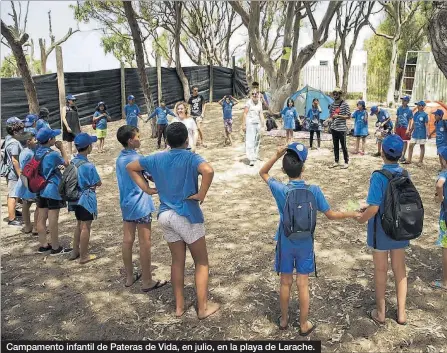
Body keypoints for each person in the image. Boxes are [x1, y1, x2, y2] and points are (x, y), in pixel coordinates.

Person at [259, 143, 360, 335]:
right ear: (303, 167)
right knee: (303, 283)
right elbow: (330, 214)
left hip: (285, 240)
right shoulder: (314, 190)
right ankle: (304, 324)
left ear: (283, 168)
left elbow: (263, 172)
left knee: (285, 281)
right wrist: (352, 213)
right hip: (306, 243)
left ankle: (284, 319)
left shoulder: (281, 189)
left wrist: (276, 154)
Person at [126, 122, 219, 318]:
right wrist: (202, 194)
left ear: (166, 141)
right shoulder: (191, 157)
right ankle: (202, 308)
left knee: (177, 262)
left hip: (165, 215)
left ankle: (179, 307)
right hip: (187, 215)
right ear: (187, 139)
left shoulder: (156, 158)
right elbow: (208, 170)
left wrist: (148, 189)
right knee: (201, 262)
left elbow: (131, 167)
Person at [356, 134, 409, 326]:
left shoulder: (378, 176)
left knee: (381, 270)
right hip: (400, 229)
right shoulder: (404, 174)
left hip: (381, 231)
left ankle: (381, 313)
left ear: (383, 153)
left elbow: (374, 208)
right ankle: (402, 314)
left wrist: (362, 218)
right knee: (400, 269)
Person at [116, 125, 167, 290]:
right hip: (141, 204)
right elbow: (151, 175)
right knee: (145, 243)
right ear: (131, 141)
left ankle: (129, 277)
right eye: (138, 136)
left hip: (126, 204)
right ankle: (147, 281)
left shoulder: (119, 158)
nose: (140, 138)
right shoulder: (137, 159)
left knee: (127, 240)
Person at [35, 128, 72, 255]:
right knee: (53, 219)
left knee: (41, 218)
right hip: (52, 189)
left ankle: (43, 245)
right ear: (50, 140)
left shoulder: (37, 152)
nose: (55, 139)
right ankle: (56, 247)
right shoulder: (53, 154)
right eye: (54, 137)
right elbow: (67, 163)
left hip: (40, 188)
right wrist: (62, 148)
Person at [68, 133, 101, 264]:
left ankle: (74, 251)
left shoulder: (72, 162)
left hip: (74, 198)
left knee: (79, 224)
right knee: (86, 227)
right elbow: (98, 182)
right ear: (88, 147)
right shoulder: (89, 166)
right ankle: (84, 256)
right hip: (86, 199)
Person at [13, 132, 39, 234]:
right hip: (31, 181)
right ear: (28, 142)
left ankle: (28, 226)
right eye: (35, 140)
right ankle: (36, 227)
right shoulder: (30, 153)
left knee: (26, 204)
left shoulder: (23, 152)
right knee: (39, 204)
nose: (36, 141)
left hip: (24, 180)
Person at [3, 117, 24, 226]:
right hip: (13, 173)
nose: (22, 132)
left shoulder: (8, 138)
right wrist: (20, 174)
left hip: (10, 171)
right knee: (13, 194)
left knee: (13, 192)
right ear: (15, 131)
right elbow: (15, 160)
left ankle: (14, 211)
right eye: (20, 130)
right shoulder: (14, 143)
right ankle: (12, 219)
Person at [433, 146, 447, 291]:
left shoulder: (444, 173)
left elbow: (439, 184)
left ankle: (445, 282)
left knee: (445, 247)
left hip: (446, 216)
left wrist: (440, 197)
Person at [328, 88, 351, 169]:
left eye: (336, 94)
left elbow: (348, 116)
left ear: (340, 94)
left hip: (341, 129)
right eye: (334, 94)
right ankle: (336, 161)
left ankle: (346, 162)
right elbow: (331, 115)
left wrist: (339, 116)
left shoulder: (345, 104)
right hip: (334, 128)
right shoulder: (332, 104)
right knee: (335, 146)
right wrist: (329, 120)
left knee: (343, 146)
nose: (335, 96)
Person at [242, 90, 265, 166]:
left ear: (258, 95)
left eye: (256, 94)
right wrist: (244, 124)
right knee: (250, 141)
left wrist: (263, 124)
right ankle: (251, 159)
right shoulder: (248, 102)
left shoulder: (260, 103)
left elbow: (261, 114)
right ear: (251, 95)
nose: (255, 95)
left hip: (257, 123)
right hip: (250, 124)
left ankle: (255, 155)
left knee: (257, 140)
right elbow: (245, 113)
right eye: (253, 94)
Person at [404, 101, 429, 167]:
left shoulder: (425, 115)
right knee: (411, 145)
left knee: (422, 146)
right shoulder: (415, 114)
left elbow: (426, 125)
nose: (417, 106)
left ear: (423, 106)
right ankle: (409, 160)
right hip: (415, 133)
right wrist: (410, 131)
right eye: (417, 105)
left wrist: (427, 133)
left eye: (419, 105)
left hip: (422, 133)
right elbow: (413, 124)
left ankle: (420, 161)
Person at [394, 96, 413, 162]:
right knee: (398, 140)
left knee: (404, 141)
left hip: (405, 127)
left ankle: (402, 155)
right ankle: (398, 154)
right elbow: (397, 118)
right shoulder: (399, 109)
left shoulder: (409, 110)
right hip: (399, 127)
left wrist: (408, 129)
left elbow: (410, 120)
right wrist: (395, 127)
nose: (403, 101)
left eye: (404, 100)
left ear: (407, 102)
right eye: (402, 100)